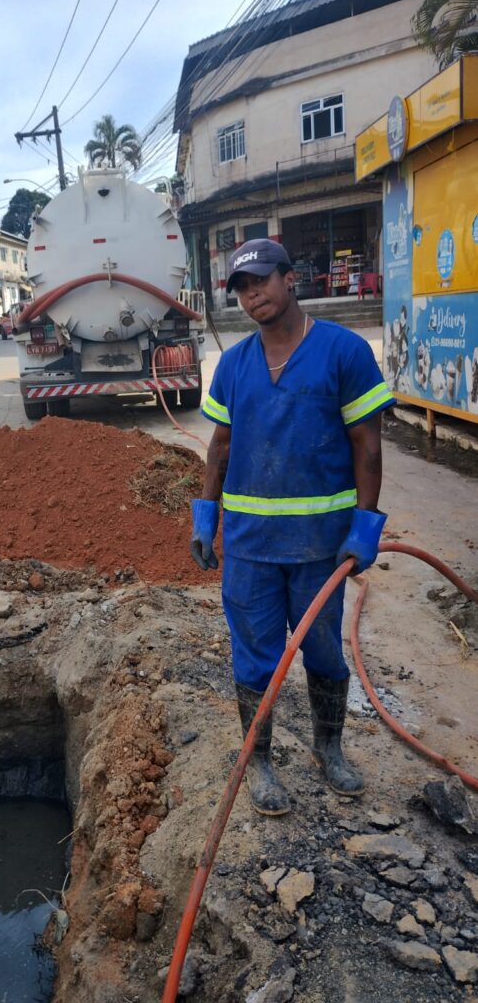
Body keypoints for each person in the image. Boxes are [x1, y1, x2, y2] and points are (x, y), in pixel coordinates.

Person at [190, 239, 394, 816]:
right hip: (250, 547)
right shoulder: (234, 365)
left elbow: (367, 444)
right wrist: (205, 515)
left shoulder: (343, 352)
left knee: (324, 651)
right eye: (241, 287)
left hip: (319, 546)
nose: (252, 294)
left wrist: (365, 525)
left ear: (289, 278)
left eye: (261, 280)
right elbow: (220, 446)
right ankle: (258, 762)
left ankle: (329, 749)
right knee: (255, 657)